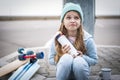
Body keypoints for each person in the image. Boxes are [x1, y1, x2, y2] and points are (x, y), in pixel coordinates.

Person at [48, 2, 98, 80]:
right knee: (66, 58)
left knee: (78, 61)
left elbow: (94, 60)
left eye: (76, 17)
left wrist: (82, 57)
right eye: (68, 17)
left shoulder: (87, 39)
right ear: (63, 22)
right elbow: (51, 60)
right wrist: (61, 54)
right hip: (63, 75)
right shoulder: (58, 39)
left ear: (80, 21)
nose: (72, 20)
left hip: (81, 73)